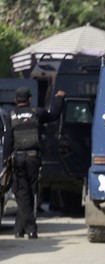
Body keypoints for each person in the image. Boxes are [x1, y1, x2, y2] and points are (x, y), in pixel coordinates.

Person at [3, 87, 65, 239]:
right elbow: (54, 115)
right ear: (29, 99)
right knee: (29, 193)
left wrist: (5, 160)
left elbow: (8, 140)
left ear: (15, 101)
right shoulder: (37, 113)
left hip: (17, 159)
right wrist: (59, 98)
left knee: (22, 194)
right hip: (33, 158)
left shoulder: (11, 116)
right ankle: (24, 229)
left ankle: (25, 229)